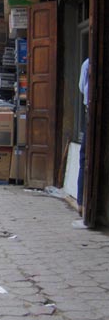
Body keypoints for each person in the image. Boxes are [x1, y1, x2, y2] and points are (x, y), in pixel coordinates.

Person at [77, 58, 89, 217]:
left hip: (91, 112)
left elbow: (81, 87)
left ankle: (82, 204)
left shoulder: (89, 63)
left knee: (85, 158)